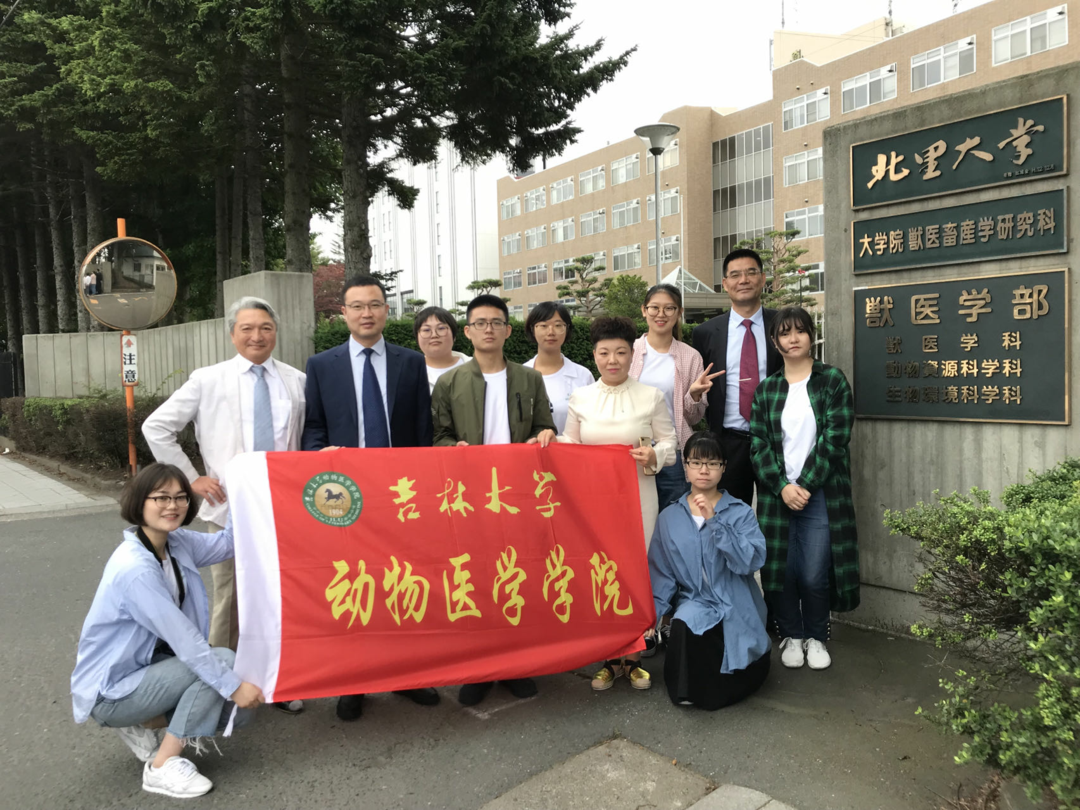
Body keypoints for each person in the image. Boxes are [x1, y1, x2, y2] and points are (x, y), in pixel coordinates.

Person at [143, 296, 306, 715]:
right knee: (230, 596)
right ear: (232, 334)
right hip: (230, 508)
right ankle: (220, 685)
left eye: (265, 328)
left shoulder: (296, 380)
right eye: (247, 328)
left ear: (276, 332)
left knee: (284, 593)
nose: (257, 336)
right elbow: (156, 427)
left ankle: (279, 680)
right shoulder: (208, 379)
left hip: (284, 510)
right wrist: (190, 478)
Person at [71, 463, 261, 799]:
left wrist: (240, 491)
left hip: (149, 666)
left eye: (180, 497)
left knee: (238, 714)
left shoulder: (175, 543)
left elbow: (229, 543)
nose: (172, 506)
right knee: (223, 666)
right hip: (113, 687)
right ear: (140, 502)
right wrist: (233, 687)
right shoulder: (135, 568)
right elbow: (187, 644)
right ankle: (161, 766)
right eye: (161, 497)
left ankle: (144, 718)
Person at [302, 274, 437, 720]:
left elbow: (421, 430)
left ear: (385, 310)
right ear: (343, 313)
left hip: (399, 496)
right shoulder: (321, 365)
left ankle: (407, 676)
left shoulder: (410, 362)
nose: (366, 313)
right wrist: (321, 459)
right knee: (354, 587)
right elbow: (314, 428)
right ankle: (355, 680)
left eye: (375, 305)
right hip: (346, 498)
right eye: (357, 306)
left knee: (403, 584)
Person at [431, 293, 557, 707]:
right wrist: (453, 449)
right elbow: (439, 436)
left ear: (507, 330)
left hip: (517, 496)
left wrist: (545, 434)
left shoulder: (529, 379)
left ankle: (517, 664)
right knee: (476, 579)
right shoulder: (450, 382)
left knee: (519, 575)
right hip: (470, 497)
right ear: (467, 332)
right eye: (481, 323)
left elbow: (544, 427)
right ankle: (481, 667)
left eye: (496, 322)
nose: (489, 329)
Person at [558, 316, 677, 692]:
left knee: (636, 571)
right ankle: (609, 658)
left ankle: (635, 656)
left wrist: (654, 455)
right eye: (605, 352)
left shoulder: (651, 396)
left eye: (621, 352)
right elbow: (569, 446)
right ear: (594, 355)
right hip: (593, 504)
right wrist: (546, 440)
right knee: (600, 571)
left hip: (638, 499)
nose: (613, 360)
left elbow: (671, 445)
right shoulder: (580, 398)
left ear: (632, 355)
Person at [750, 306, 859, 671]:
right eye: (785, 333)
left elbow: (836, 437)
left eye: (800, 331)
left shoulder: (832, 380)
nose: (793, 338)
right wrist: (782, 486)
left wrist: (806, 485)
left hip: (820, 492)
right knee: (779, 570)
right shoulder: (767, 389)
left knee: (814, 573)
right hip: (776, 495)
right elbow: (758, 444)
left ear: (812, 335)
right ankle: (791, 634)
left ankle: (816, 636)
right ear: (775, 341)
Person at [648, 431, 771, 709]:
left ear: (723, 468)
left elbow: (750, 562)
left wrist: (715, 522)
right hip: (696, 600)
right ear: (686, 466)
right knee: (683, 623)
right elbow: (661, 573)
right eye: (696, 462)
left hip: (736, 599)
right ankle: (689, 690)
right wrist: (650, 620)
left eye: (713, 463)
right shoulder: (670, 517)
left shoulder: (740, 512)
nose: (704, 470)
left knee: (740, 650)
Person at [691, 249, 782, 506]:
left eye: (751, 273)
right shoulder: (705, 332)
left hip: (775, 440)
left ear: (763, 279)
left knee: (777, 515)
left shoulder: (782, 324)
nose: (743, 280)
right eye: (735, 275)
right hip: (727, 442)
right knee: (727, 515)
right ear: (725, 283)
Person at [631, 283, 722, 512]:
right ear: (644, 310)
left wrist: (694, 395)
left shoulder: (690, 357)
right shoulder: (629, 351)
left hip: (672, 453)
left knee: (671, 518)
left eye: (669, 308)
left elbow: (692, 418)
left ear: (679, 312)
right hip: (632, 450)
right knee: (634, 518)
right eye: (654, 308)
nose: (661, 314)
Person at [523, 301, 595, 433]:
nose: (551, 332)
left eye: (558, 325)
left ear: (567, 329)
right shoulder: (519, 375)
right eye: (543, 325)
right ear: (532, 329)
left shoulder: (583, 376)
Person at [414, 306, 469, 393]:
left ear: (454, 335)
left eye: (441, 328)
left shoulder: (478, 368)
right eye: (426, 330)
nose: (434, 335)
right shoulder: (409, 373)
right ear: (417, 338)